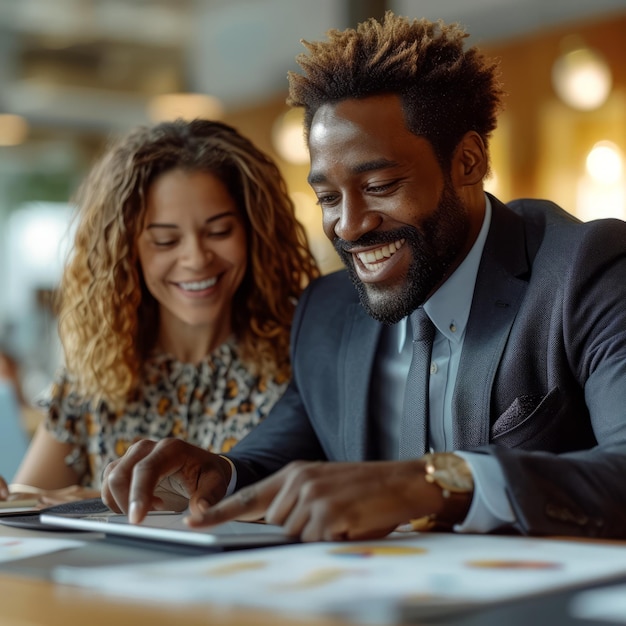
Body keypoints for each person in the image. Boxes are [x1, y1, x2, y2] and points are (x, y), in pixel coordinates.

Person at [101, 12, 626, 540]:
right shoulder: (328, 311)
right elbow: (276, 460)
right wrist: (216, 473)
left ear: (467, 161)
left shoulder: (588, 269)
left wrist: (436, 483)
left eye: (379, 185)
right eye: (328, 197)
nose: (349, 225)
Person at [3, 118, 319, 504]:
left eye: (219, 232)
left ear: (256, 232)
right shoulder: (98, 368)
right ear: (127, 251)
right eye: (165, 241)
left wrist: (84, 498)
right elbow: (30, 498)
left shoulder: (304, 353)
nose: (196, 259)